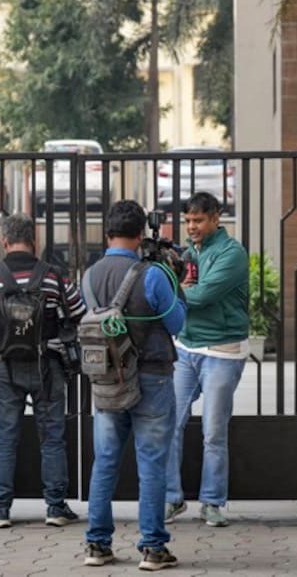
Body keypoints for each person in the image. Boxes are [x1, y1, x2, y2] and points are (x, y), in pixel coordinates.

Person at [82, 200, 187, 571]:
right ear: (141, 234)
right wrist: (179, 284)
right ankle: (153, 548)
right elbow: (177, 324)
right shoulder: (154, 274)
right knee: (152, 463)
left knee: (105, 462)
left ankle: (97, 545)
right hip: (152, 377)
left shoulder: (89, 276)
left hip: (109, 380)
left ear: (108, 232)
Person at [0, 213, 85, 529]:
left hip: (7, 366)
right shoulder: (55, 276)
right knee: (52, 437)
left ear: (5, 242)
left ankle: (0, 509)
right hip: (47, 364)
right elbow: (78, 312)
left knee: (5, 437)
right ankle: (56, 507)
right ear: (34, 240)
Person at [164, 192, 248, 529]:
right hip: (187, 348)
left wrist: (174, 291)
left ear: (216, 218)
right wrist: (179, 287)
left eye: (198, 220)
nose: (192, 227)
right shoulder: (188, 252)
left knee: (213, 433)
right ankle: (172, 498)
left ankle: (212, 503)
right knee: (170, 425)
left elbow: (204, 294)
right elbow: (184, 291)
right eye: (187, 221)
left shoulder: (233, 254)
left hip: (223, 352)